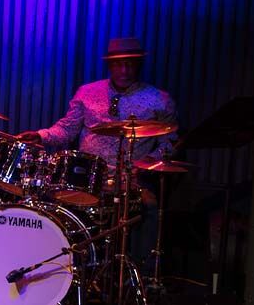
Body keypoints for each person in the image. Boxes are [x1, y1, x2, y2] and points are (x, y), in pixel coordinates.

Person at [17, 36, 176, 263]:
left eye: (130, 63)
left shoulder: (159, 100)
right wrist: (41, 135)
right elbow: (67, 129)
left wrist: (147, 165)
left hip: (133, 179)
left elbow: (168, 143)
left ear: (139, 64)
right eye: (119, 63)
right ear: (109, 65)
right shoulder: (87, 92)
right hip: (89, 177)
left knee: (149, 207)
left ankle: (141, 271)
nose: (124, 69)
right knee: (55, 203)